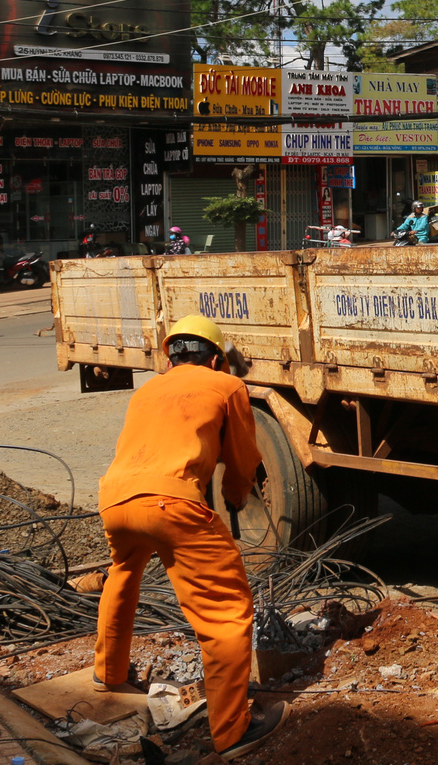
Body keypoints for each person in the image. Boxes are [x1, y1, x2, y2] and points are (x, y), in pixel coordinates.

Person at [94, 315, 284, 759]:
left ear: (171, 356)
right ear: (216, 358)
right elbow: (241, 457)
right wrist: (237, 496)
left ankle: (109, 673)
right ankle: (233, 730)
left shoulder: (147, 390)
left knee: (122, 574)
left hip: (116, 500)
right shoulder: (227, 386)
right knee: (226, 613)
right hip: (172, 503)